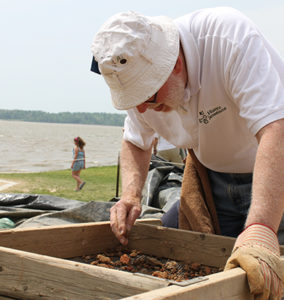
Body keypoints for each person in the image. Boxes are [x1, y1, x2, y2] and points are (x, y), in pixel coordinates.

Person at [91, 8, 284, 299]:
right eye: (134, 101)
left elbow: (276, 129)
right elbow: (135, 140)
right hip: (213, 181)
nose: (142, 109)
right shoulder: (138, 74)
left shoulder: (228, 39)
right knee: (187, 253)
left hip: (275, 178)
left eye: (149, 97)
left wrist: (261, 226)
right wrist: (130, 195)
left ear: (176, 64)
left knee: (267, 275)